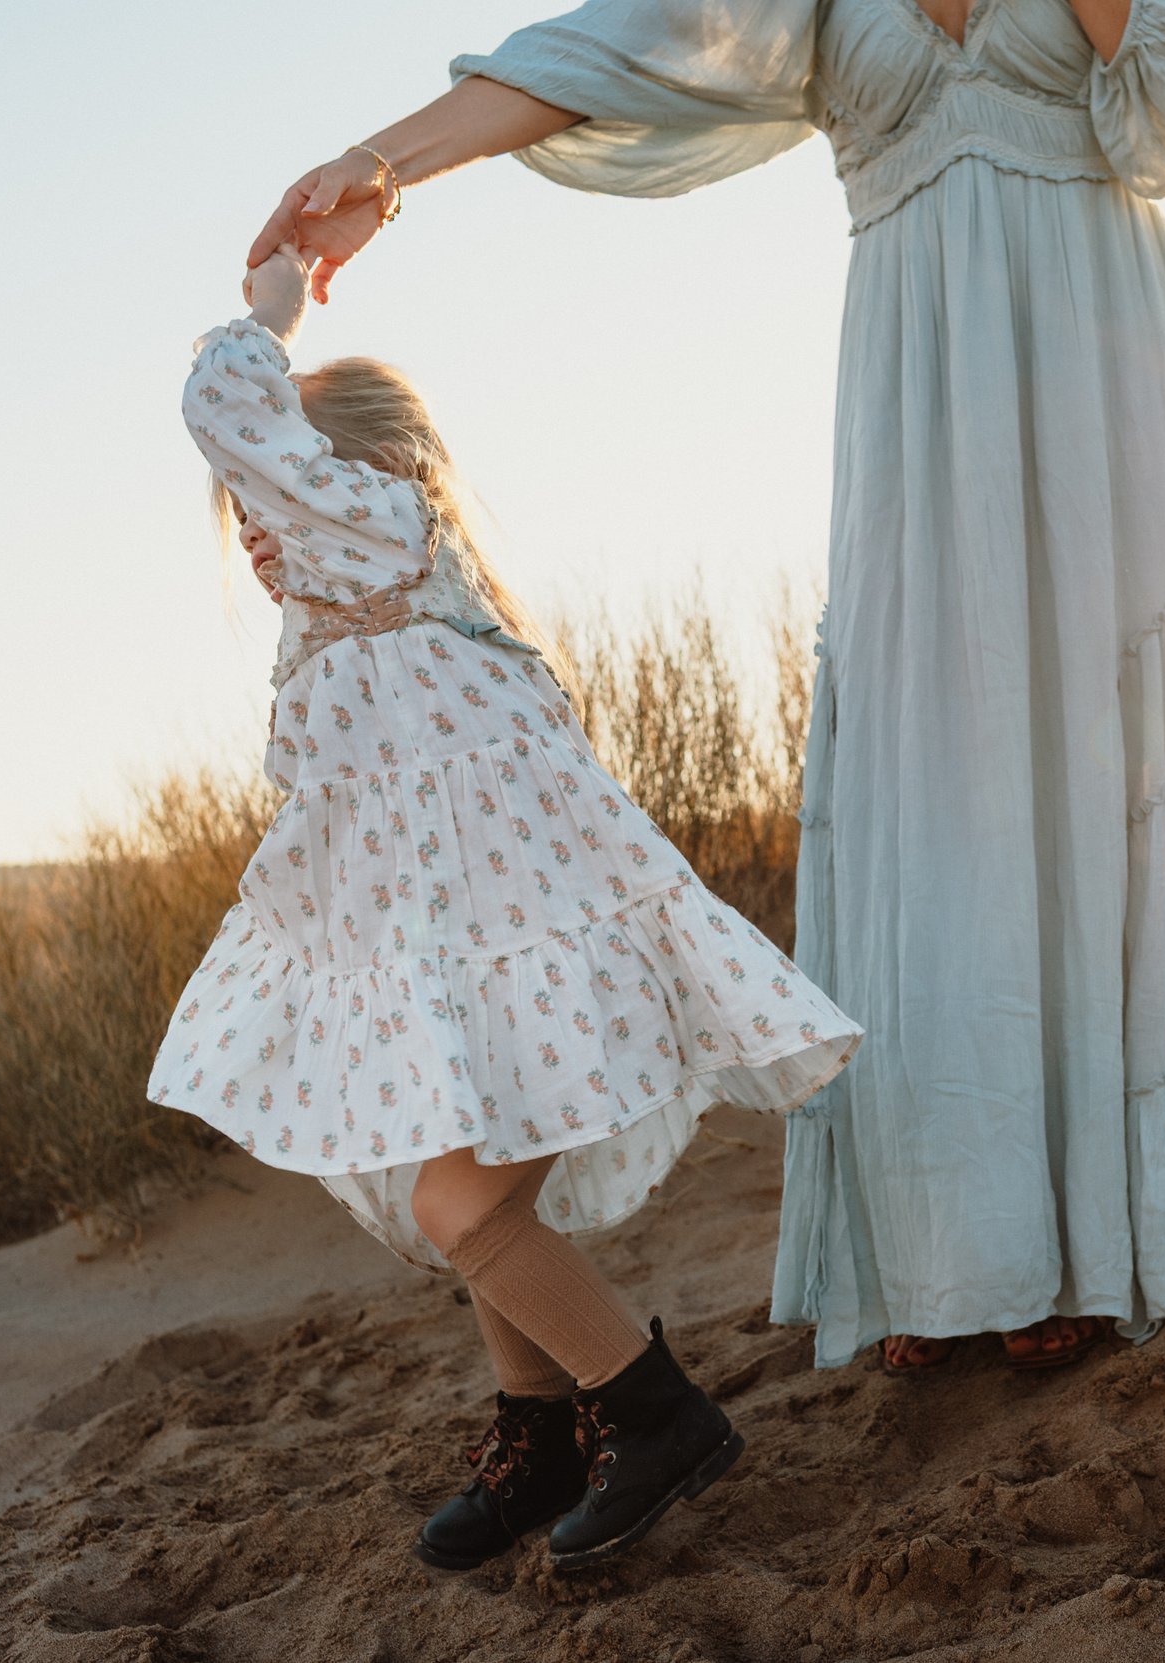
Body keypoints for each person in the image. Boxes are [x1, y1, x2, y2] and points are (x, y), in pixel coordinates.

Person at [246, 0, 1165, 1377]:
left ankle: (1103, 1235)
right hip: (921, 387)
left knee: (1099, 760)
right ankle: (963, 1249)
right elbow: (620, 47)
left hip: (1103, 362)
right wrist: (380, 167)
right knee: (938, 792)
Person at [147, 244, 862, 1571]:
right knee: (455, 1162)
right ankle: (540, 1431)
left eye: (269, 488)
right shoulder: (351, 609)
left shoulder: (381, 528)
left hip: (544, 952)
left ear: (361, 474)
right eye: (244, 506)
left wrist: (268, 317)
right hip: (462, 958)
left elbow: (225, 405)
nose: (253, 522)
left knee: (463, 1211)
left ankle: (652, 1413)